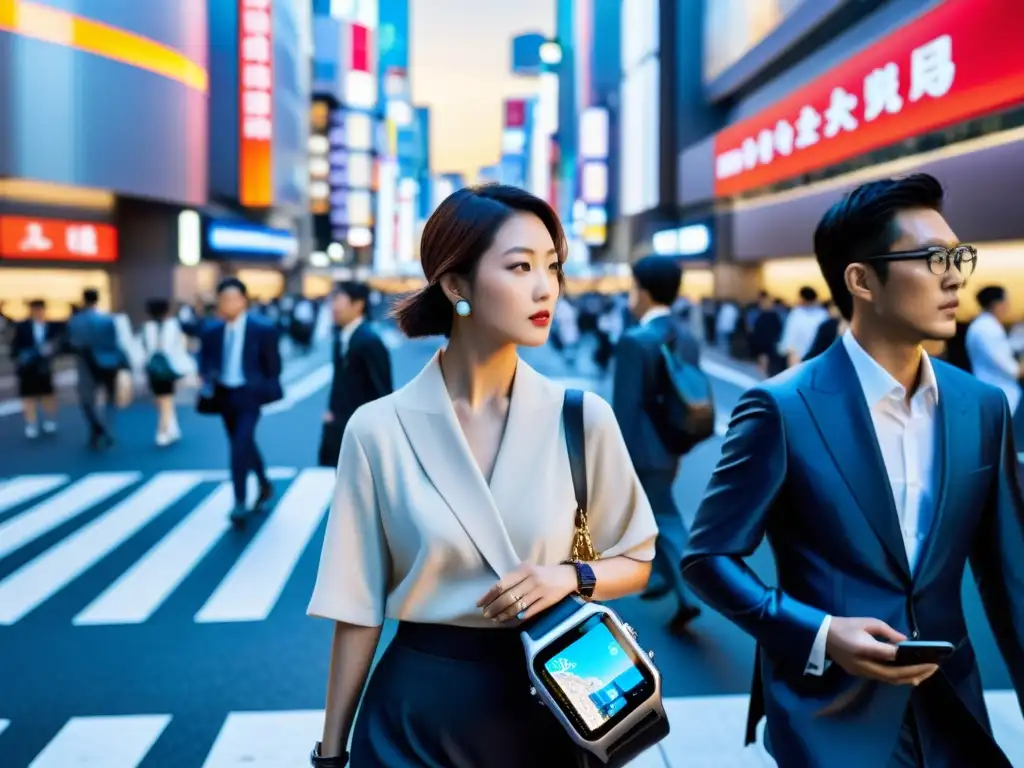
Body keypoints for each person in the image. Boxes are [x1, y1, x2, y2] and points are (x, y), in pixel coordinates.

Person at [307, 184, 658, 768]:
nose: (546, 287)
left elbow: (638, 560)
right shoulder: (378, 429)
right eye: (520, 267)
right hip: (415, 716)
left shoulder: (581, 417)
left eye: (552, 267)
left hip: (554, 701)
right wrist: (330, 751)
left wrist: (570, 577)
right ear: (455, 285)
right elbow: (357, 608)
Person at [682, 173, 1023, 767]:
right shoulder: (782, 407)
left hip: (953, 707)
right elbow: (708, 557)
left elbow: (1009, 575)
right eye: (931, 257)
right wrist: (817, 634)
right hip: (829, 715)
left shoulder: (982, 407)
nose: (954, 275)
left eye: (957, 256)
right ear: (861, 280)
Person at [612, 255, 702, 634]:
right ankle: (665, 578)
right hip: (671, 444)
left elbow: (625, 408)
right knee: (653, 516)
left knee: (663, 518)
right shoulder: (687, 337)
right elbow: (688, 398)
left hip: (642, 449)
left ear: (643, 292)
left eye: (633, 288)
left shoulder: (635, 340)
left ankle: (691, 593)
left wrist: (615, 460)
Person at [198, 277, 283, 525]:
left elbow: (273, 365)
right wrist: (206, 378)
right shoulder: (212, 331)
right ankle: (265, 483)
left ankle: (239, 502)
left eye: (234, 299)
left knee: (238, 446)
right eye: (224, 299)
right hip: (224, 395)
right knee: (243, 443)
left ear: (244, 301)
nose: (229, 304)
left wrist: (263, 387)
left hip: (250, 396)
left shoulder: (262, 328)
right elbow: (205, 360)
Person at [319, 281, 393, 467]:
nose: (333, 306)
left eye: (338, 300)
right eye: (332, 300)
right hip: (341, 423)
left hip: (363, 429)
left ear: (357, 304)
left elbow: (382, 390)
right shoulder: (341, 337)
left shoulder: (369, 341)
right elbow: (338, 381)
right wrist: (332, 411)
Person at [66, 288, 126, 450]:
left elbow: (72, 342)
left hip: (86, 363)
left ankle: (96, 427)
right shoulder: (107, 319)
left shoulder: (76, 321)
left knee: (87, 399)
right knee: (110, 398)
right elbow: (115, 342)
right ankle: (107, 428)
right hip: (108, 363)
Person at [140, 298, 194, 446]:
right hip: (165, 367)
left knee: (164, 399)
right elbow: (180, 347)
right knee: (164, 400)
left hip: (156, 368)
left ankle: (164, 430)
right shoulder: (172, 326)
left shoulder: (148, 327)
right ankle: (170, 428)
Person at [10, 299, 60, 439]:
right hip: (27, 368)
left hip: (44, 367)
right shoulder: (22, 327)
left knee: (48, 395)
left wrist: (51, 350)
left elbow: (59, 344)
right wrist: (25, 354)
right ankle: (31, 424)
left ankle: (49, 420)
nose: (38, 313)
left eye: (41, 309)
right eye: (36, 310)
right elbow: (14, 348)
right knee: (28, 397)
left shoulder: (51, 326)